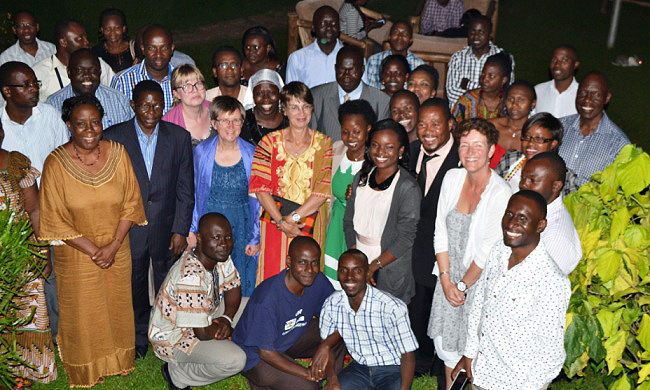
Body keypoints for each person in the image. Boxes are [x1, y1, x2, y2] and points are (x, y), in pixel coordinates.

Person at [39, 95, 147, 387]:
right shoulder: (55, 164)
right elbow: (54, 218)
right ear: (68, 126)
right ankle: (87, 370)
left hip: (117, 250)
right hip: (77, 257)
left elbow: (132, 202)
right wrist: (94, 250)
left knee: (116, 307)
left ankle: (119, 361)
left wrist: (112, 246)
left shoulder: (119, 153)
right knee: (84, 314)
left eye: (95, 122)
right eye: (80, 124)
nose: (89, 129)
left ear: (103, 123)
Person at [104, 80, 194, 359]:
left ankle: (169, 331)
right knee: (136, 282)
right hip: (130, 227)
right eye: (145, 104)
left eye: (157, 105)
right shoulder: (114, 138)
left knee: (169, 281)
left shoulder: (178, 137)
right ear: (133, 105)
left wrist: (180, 228)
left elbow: (185, 188)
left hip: (167, 226)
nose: (151, 110)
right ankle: (140, 334)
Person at [451, 191, 571, 389]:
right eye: (509, 214)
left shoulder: (551, 280)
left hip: (516, 383)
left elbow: (551, 353)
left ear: (541, 226)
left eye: (523, 218)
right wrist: (470, 353)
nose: (511, 223)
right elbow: (480, 303)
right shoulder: (499, 251)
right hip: (482, 372)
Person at [427, 118, 511, 388]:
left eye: (478, 145)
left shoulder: (501, 192)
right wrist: (446, 279)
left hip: (478, 285)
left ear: (491, 151)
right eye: (465, 145)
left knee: (473, 355)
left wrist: (461, 286)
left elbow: (486, 252)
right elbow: (440, 231)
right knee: (448, 350)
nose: (471, 151)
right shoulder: (452, 178)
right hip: (448, 278)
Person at [232, 237, 346, 390]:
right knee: (310, 386)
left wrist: (327, 353)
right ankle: (260, 381)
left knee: (338, 336)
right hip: (256, 355)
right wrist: (306, 374)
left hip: (287, 338)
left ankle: (333, 384)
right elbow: (266, 352)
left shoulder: (317, 281)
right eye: (302, 262)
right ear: (289, 261)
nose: (309, 270)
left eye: (314, 263)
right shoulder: (267, 298)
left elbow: (339, 319)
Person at [149, 213, 247, 390]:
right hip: (176, 337)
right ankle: (177, 374)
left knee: (252, 306)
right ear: (199, 239)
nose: (224, 244)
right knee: (235, 360)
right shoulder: (190, 277)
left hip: (206, 314)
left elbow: (233, 286)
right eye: (216, 238)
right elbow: (202, 332)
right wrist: (223, 329)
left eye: (228, 237)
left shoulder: (218, 254)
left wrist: (226, 319)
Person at [249, 81, 333, 282]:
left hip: (310, 226)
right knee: (273, 279)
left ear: (312, 109)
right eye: (294, 107)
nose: (301, 112)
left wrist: (292, 219)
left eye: (305, 106)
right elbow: (261, 189)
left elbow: (322, 191)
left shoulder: (324, 143)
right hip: (275, 225)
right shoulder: (268, 142)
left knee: (308, 279)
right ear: (284, 110)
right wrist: (280, 221)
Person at [0, 119, 56, 384]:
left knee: (27, 316)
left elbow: (34, 210)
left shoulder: (16, 163)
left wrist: (43, 250)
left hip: (21, 254)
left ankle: (27, 372)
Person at [407, 98, 460, 381]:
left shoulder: (462, 162)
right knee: (415, 306)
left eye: (435, 124)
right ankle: (417, 361)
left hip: (443, 252)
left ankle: (437, 362)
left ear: (450, 125)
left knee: (436, 310)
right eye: (422, 123)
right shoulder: (412, 151)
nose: (427, 130)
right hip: (411, 251)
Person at [343, 119, 421, 304]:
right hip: (359, 258)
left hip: (388, 266)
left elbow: (405, 238)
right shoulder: (361, 178)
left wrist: (372, 267)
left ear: (400, 150)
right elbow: (348, 221)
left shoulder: (407, 187)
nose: (381, 153)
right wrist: (356, 261)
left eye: (389, 147)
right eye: (376, 146)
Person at [190, 96, 261, 297]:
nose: (231, 126)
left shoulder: (252, 154)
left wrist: (255, 237)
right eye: (224, 121)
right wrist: (193, 229)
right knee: (208, 278)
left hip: (241, 222)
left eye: (236, 120)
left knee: (238, 279)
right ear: (214, 123)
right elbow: (195, 192)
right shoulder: (202, 152)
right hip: (209, 220)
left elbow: (258, 199)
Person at [320, 249, 418, 390]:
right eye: (344, 270)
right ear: (338, 273)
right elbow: (327, 347)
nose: (349, 277)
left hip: (392, 369)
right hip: (359, 368)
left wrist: (405, 388)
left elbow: (408, 354)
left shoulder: (391, 307)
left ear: (367, 273)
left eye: (357, 271)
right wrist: (332, 379)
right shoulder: (331, 304)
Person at [324, 99, 376, 287]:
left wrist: (359, 197)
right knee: (331, 283)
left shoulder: (376, 160)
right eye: (345, 131)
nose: (350, 137)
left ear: (369, 128)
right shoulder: (335, 150)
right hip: (334, 228)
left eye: (356, 132)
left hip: (360, 233)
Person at [558, 71, 630, 186]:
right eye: (583, 93)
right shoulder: (559, 127)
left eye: (596, 95)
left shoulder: (619, 144)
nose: (587, 99)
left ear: (607, 98)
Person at [0, 62, 69, 175]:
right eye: (26, 85)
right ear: (7, 91)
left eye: (35, 83)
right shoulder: (1, 125)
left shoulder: (50, 115)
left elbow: (65, 158)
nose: (34, 89)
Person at [310, 45, 390, 142]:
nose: (346, 75)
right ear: (335, 68)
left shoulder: (381, 101)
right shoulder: (316, 96)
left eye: (352, 70)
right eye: (341, 70)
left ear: (362, 69)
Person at [520, 153, 582, 274]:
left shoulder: (556, 236)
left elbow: (541, 286)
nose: (523, 184)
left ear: (556, 186)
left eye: (532, 180)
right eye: (523, 178)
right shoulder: (534, 210)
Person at [46, 48, 133, 129]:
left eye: (93, 71)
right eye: (80, 71)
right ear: (69, 72)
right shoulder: (53, 104)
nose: (87, 75)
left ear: (100, 72)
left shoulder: (119, 100)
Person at [495, 112, 579, 194]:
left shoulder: (566, 177)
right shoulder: (511, 158)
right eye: (527, 137)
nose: (530, 143)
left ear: (553, 144)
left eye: (539, 139)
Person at [33, 19, 114, 102]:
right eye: (80, 39)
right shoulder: (39, 71)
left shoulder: (98, 63)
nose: (86, 42)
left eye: (86, 37)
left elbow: (114, 91)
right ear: (63, 42)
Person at [445, 15, 514, 107]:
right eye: (472, 32)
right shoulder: (458, 58)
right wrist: (487, 94)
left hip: (492, 115)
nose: (476, 36)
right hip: (463, 114)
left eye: (481, 32)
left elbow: (507, 91)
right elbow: (452, 93)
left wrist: (466, 84)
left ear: (490, 34)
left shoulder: (503, 58)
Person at [111, 24, 176, 114]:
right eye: (152, 48)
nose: (158, 54)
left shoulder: (183, 79)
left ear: (172, 48)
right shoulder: (122, 80)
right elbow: (115, 118)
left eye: (164, 48)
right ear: (143, 49)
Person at [286, 6, 343, 88]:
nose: (329, 28)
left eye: (334, 24)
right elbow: (292, 95)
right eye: (324, 24)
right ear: (313, 28)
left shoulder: (352, 58)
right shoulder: (298, 58)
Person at [162, 64, 215, 148]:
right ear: (176, 94)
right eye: (186, 86)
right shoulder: (168, 123)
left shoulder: (217, 110)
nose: (194, 90)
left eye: (198, 83)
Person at [362, 21, 425, 89]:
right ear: (389, 37)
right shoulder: (374, 60)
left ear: (410, 40)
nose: (400, 37)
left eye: (405, 34)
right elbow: (369, 89)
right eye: (396, 32)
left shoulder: (418, 64)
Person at [452, 51, 511, 123]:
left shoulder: (509, 102)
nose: (484, 79)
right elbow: (453, 126)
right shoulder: (467, 100)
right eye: (483, 74)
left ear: (503, 80)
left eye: (491, 76)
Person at [241, 69, 288, 144]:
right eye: (259, 94)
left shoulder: (290, 118)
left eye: (272, 93)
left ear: (279, 94)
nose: (266, 98)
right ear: (252, 96)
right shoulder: (243, 122)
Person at [534, 44, 580, 118]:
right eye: (554, 60)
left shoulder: (582, 95)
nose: (557, 65)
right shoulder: (538, 90)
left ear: (575, 65)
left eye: (564, 61)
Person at [490, 80, 537, 151]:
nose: (514, 104)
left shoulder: (535, 134)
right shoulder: (491, 127)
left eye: (521, 100)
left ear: (533, 104)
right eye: (511, 99)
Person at [92, 8, 134, 73]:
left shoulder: (134, 48)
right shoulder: (96, 52)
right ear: (102, 30)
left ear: (123, 29)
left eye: (117, 28)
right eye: (108, 29)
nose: (112, 33)